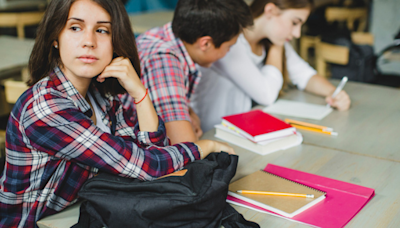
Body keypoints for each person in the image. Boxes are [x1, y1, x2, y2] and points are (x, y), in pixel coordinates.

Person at [0, 0, 234, 227]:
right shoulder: (46, 108)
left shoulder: (100, 96)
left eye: (102, 30)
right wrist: (205, 147)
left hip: (85, 214)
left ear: (115, 41)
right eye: (75, 27)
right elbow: (145, 166)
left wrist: (140, 93)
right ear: (55, 39)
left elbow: (154, 151)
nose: (89, 41)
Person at [191, 0, 352, 132]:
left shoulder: (271, 40)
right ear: (270, 10)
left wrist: (333, 92)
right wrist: (278, 46)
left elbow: (304, 74)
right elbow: (267, 95)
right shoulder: (229, 43)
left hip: (241, 131)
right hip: (212, 133)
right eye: (294, 22)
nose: (297, 33)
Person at [122, 0, 254, 144]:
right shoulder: (164, 59)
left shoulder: (164, 35)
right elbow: (183, 143)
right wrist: (187, 130)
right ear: (206, 43)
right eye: (229, 47)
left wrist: (189, 113)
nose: (228, 53)